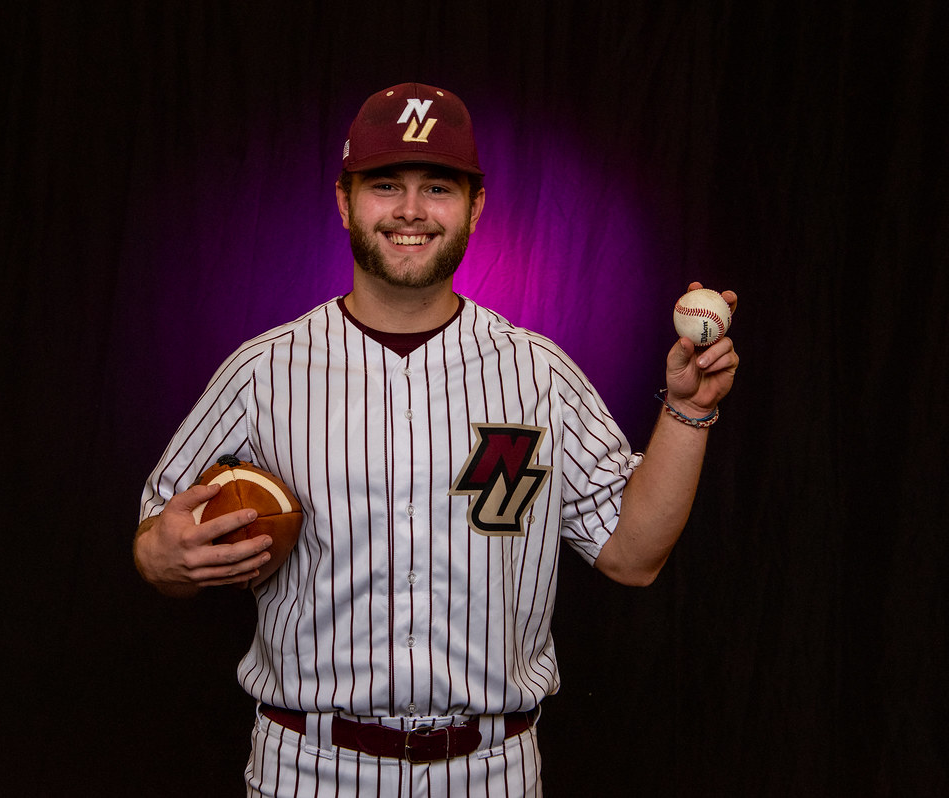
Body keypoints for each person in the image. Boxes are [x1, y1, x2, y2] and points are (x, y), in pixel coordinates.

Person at [133, 82, 739, 797]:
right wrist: (163, 557)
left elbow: (633, 555)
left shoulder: (538, 373)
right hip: (310, 769)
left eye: (438, 187)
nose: (412, 211)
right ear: (344, 199)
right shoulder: (263, 371)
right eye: (386, 184)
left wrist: (687, 411)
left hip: (491, 771)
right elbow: (156, 538)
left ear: (475, 206)